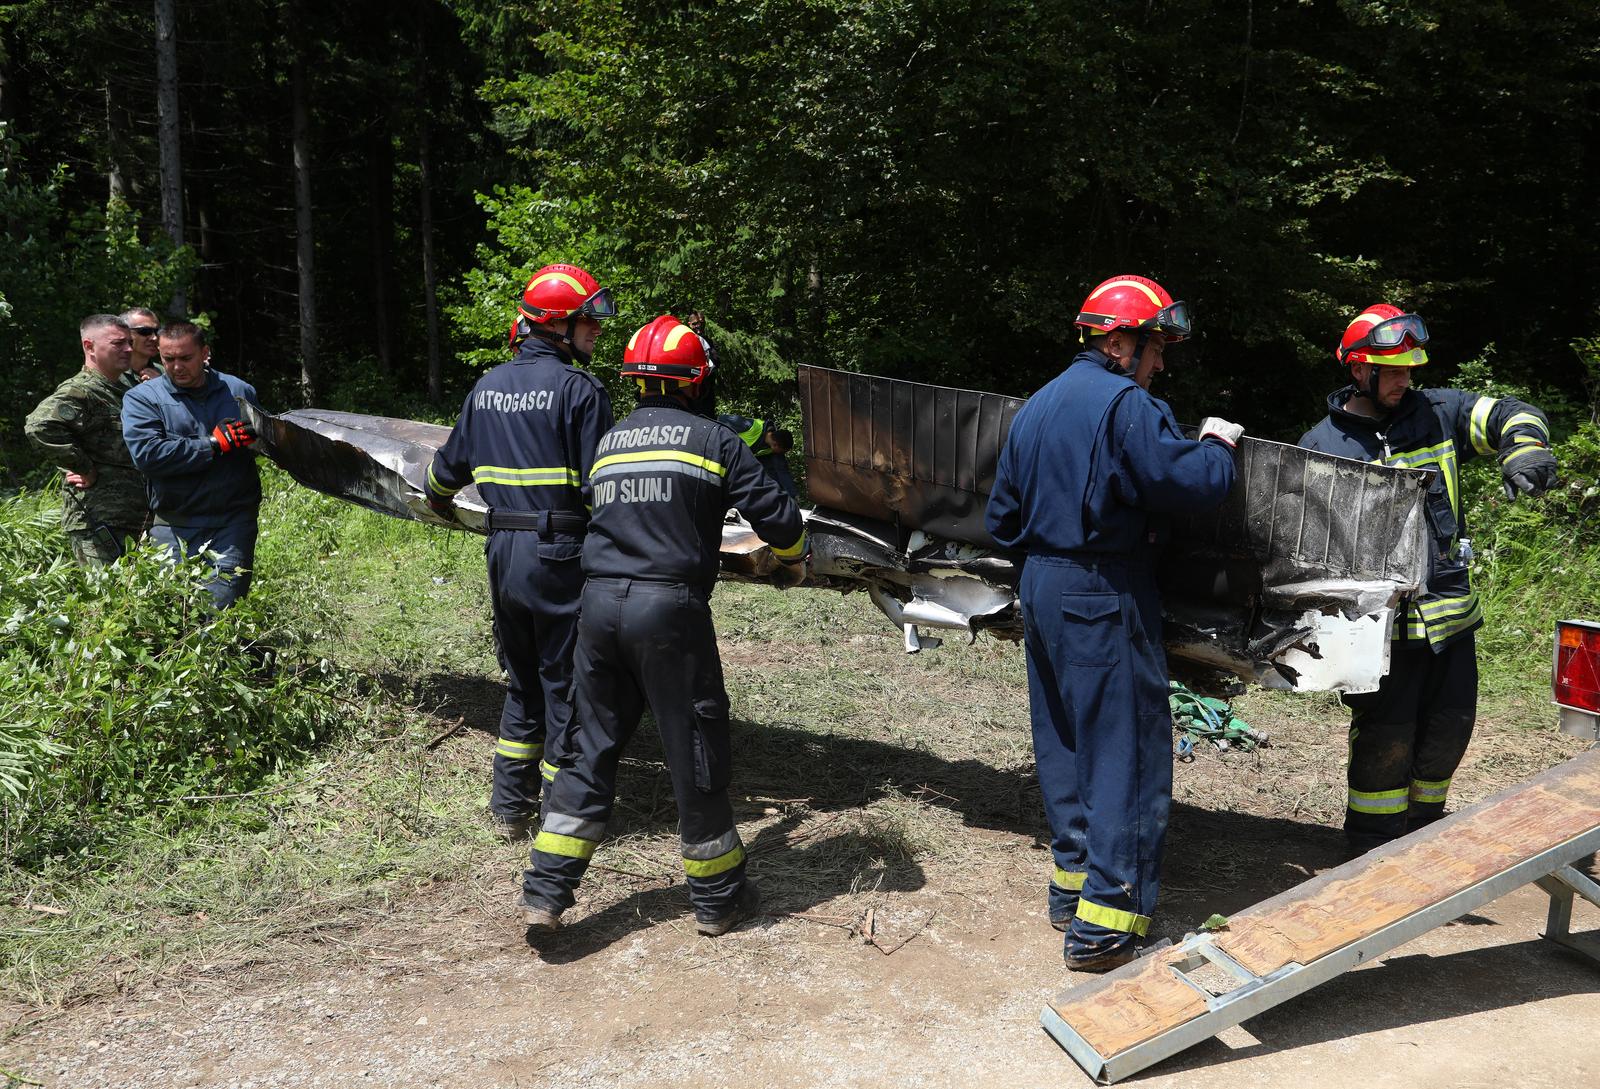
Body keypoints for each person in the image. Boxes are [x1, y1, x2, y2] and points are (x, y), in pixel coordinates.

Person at [520, 314, 807, 936]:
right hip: (668, 614)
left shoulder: (612, 441)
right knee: (694, 748)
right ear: (696, 380)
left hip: (598, 608)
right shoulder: (714, 440)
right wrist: (792, 561)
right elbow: (781, 521)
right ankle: (719, 899)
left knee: (589, 747)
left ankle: (545, 891)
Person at [985, 275, 1240, 972]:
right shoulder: (1127, 405)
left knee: (1066, 740)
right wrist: (1217, 447)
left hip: (1042, 587)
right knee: (1123, 750)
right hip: (1102, 591)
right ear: (1121, 344)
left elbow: (1001, 518)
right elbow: (1188, 483)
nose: (1160, 364)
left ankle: (1071, 890)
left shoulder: (1037, 405)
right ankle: (1104, 925)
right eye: (1156, 349)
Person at [1299, 304, 1556, 856]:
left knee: (1449, 729)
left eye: (1410, 370)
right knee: (1386, 738)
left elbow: (1511, 413)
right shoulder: (1323, 445)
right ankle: (1371, 848)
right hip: (1379, 632)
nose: (1404, 381)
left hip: (1450, 618)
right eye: (1392, 372)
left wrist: (1526, 449)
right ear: (1359, 370)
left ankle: (1423, 838)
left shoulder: (1439, 413)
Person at [424, 264, 618, 842]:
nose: (597, 330)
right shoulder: (580, 391)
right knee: (566, 683)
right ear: (557, 325)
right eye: (587, 320)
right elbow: (601, 490)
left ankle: (510, 806)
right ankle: (562, 813)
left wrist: (439, 502)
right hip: (559, 551)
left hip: (503, 551)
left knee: (523, 679)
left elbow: (442, 477)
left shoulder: (485, 387)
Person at [121, 322, 264, 609]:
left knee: (221, 611)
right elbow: (148, 455)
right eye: (168, 359)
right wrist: (212, 444)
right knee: (174, 612)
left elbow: (264, 441)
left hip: (232, 522)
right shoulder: (143, 398)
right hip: (174, 525)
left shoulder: (238, 391)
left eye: (185, 358)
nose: (177, 367)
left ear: (205, 353)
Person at [24, 314, 149, 565]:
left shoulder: (125, 389)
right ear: (89, 347)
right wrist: (82, 466)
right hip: (98, 519)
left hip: (136, 518)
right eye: (118, 343)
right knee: (108, 590)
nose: (128, 349)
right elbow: (39, 426)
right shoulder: (81, 390)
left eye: (129, 342)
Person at [718, 412, 799, 496]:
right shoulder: (751, 427)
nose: (782, 454)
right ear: (776, 445)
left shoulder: (771, 449)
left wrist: (792, 495)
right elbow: (721, 420)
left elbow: (782, 471)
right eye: (782, 451)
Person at [121, 307, 165, 383]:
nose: (154, 338)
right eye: (145, 331)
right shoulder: (111, 372)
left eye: (157, 332)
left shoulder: (164, 372)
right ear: (125, 333)